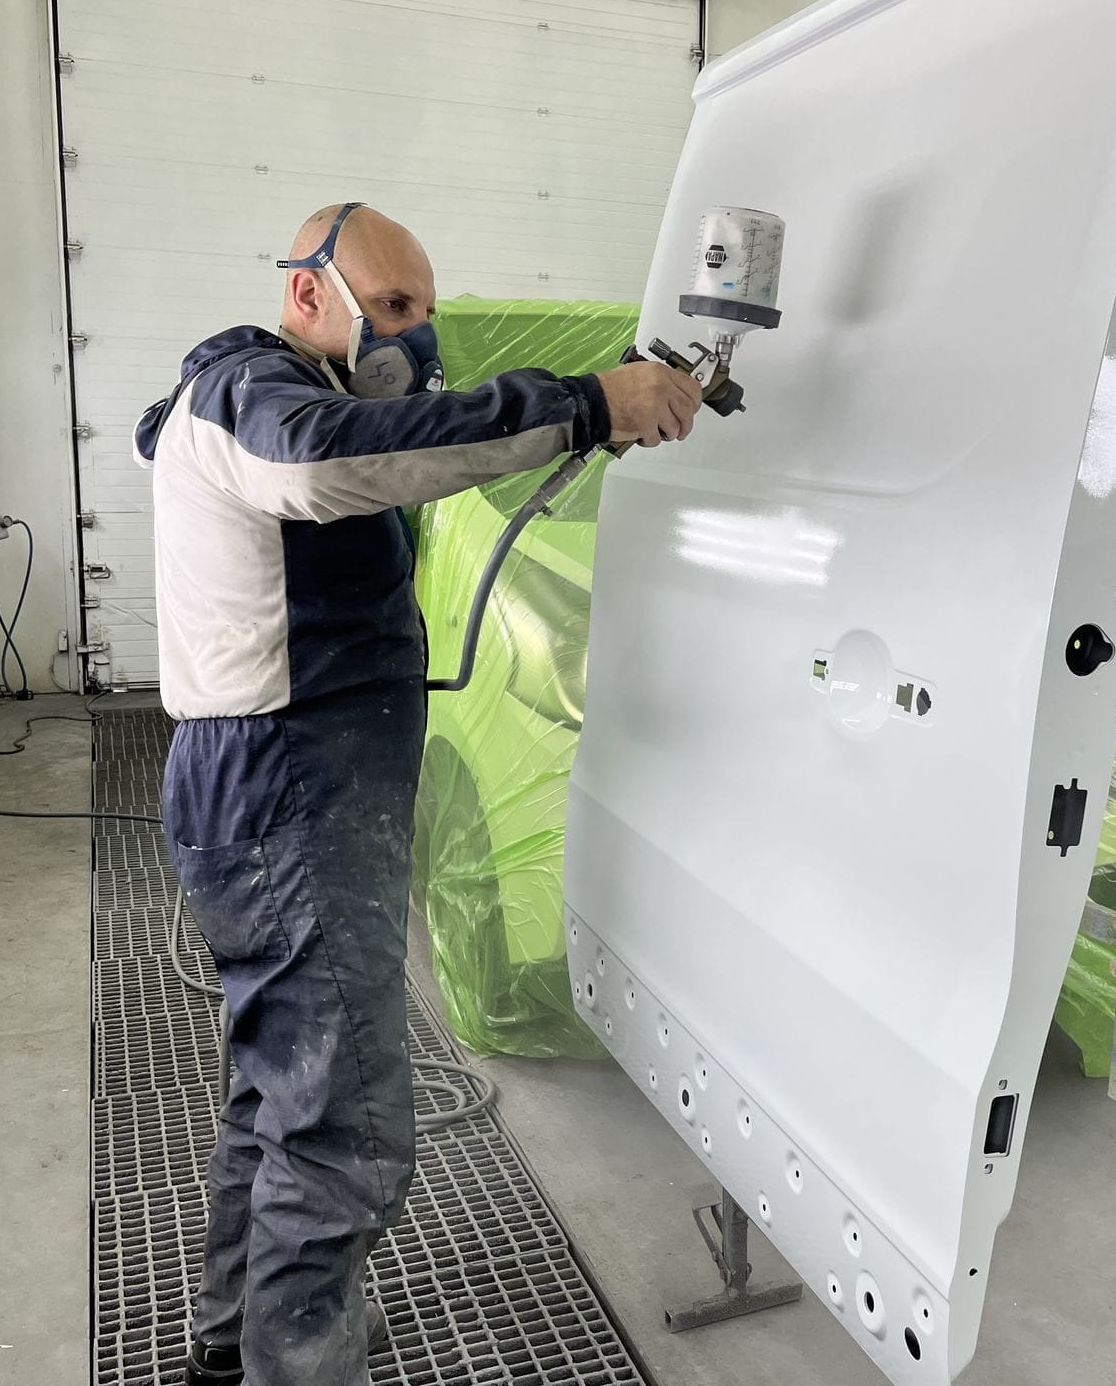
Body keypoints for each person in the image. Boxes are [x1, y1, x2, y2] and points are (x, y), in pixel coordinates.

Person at [133, 202, 702, 1386]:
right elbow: (332, 461)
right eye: (392, 308)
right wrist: (592, 404)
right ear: (308, 297)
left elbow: (395, 441)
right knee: (345, 1121)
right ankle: (296, 1357)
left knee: (282, 1087)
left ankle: (237, 1341)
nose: (415, 334)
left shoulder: (276, 395)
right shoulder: (256, 396)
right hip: (290, 785)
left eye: (424, 311)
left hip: (271, 781)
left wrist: (575, 427)